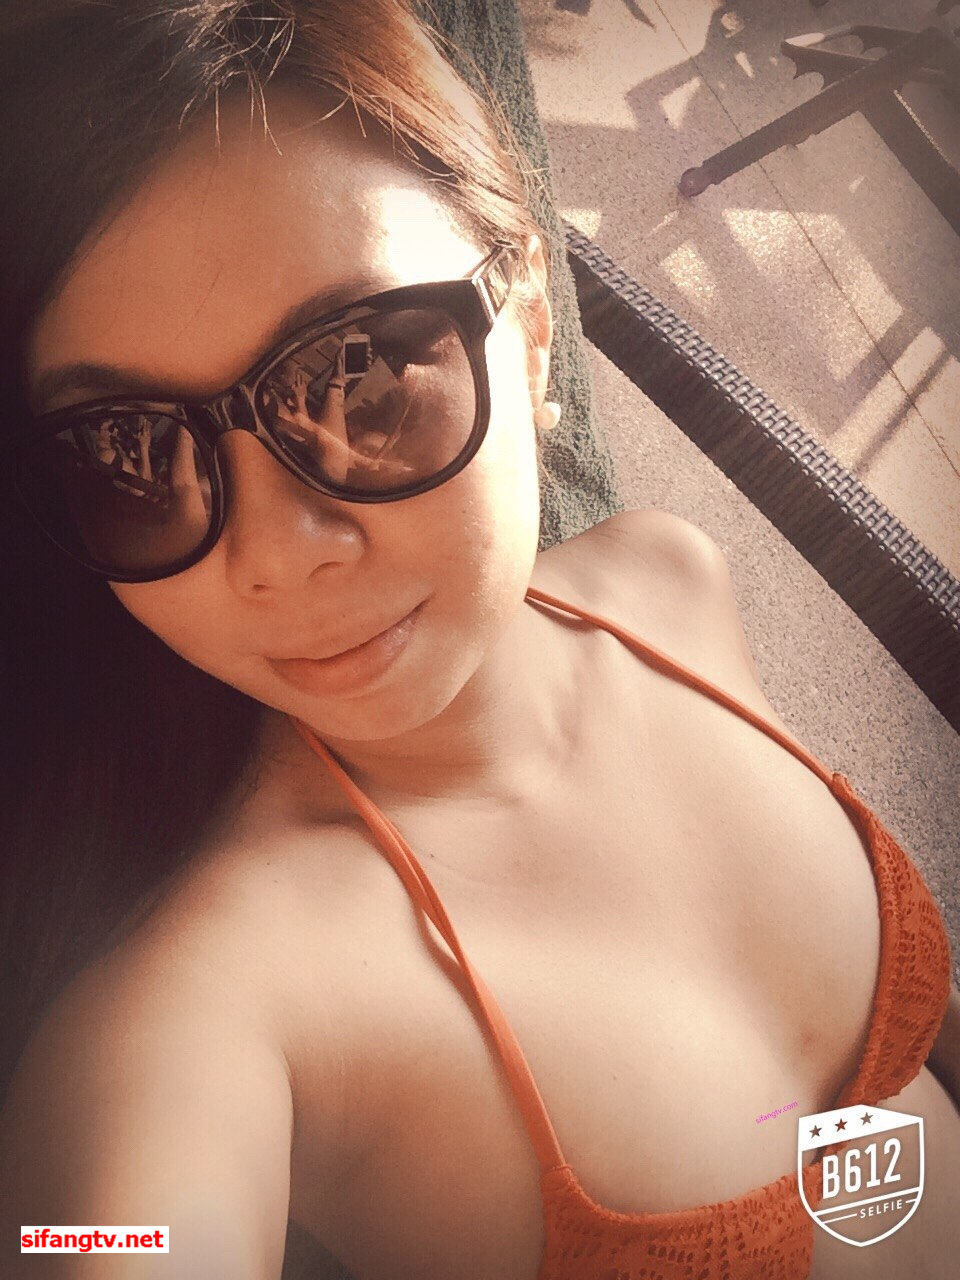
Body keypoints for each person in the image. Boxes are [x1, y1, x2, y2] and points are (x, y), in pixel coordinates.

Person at [0, 3, 958, 1278]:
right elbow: (106, 1234)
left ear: (536, 329)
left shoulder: (667, 580)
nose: (280, 554)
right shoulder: (206, 1008)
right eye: (130, 452)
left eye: (363, 382)